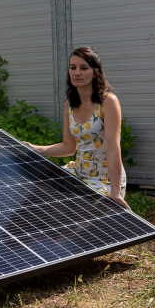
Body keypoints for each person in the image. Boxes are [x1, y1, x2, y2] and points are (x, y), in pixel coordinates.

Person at [24, 46, 129, 209]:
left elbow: (113, 149)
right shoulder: (69, 105)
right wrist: (37, 149)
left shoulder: (108, 102)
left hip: (105, 179)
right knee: (39, 197)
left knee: (83, 215)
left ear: (95, 72)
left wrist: (115, 191)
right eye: (72, 67)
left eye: (83, 68)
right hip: (79, 172)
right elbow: (69, 147)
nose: (77, 72)